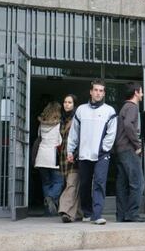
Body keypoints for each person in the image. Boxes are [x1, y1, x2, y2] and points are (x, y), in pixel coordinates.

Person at [67, 79, 117, 225]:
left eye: (101, 90)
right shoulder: (81, 110)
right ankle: (87, 212)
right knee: (84, 184)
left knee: (99, 183)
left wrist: (104, 149)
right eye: (96, 90)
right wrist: (70, 150)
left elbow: (111, 133)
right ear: (91, 91)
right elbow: (74, 133)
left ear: (104, 93)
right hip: (83, 154)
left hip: (102, 155)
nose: (98, 93)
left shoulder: (109, 111)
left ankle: (97, 215)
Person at [115, 82, 145, 222]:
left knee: (122, 184)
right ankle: (132, 214)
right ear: (136, 92)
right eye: (141, 91)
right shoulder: (132, 107)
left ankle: (121, 215)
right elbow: (129, 124)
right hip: (129, 149)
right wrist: (137, 144)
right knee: (137, 182)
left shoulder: (124, 107)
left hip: (120, 149)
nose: (142, 94)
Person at [34, 101, 64, 216]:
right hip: (53, 157)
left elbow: (39, 137)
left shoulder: (42, 124)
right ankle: (50, 197)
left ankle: (49, 210)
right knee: (58, 182)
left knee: (46, 183)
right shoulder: (59, 124)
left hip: (41, 157)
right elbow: (60, 141)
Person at [57, 94, 82, 223]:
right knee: (71, 184)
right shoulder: (61, 119)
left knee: (72, 184)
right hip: (63, 158)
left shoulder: (77, 119)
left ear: (74, 105)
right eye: (65, 102)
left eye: (70, 102)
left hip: (74, 156)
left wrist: (76, 153)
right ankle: (78, 213)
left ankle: (66, 210)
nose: (67, 104)